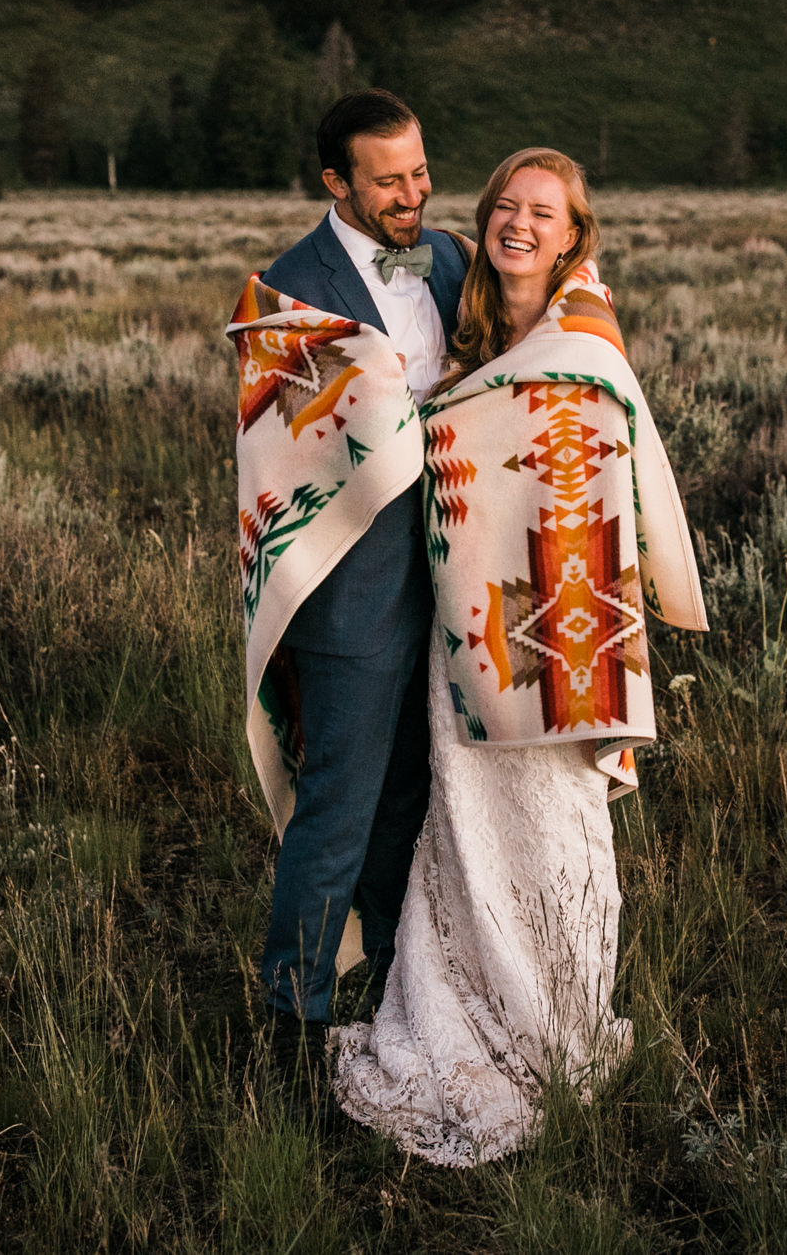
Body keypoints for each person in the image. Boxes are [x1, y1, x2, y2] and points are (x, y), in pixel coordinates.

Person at [332, 147, 708, 1165]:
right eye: (507, 204)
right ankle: (464, 1004)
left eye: (544, 212)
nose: (521, 224)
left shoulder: (581, 337)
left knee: (555, 824)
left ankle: (558, 1027)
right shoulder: (469, 320)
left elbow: (589, 476)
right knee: (464, 823)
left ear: (574, 232)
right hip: (471, 633)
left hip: (556, 644)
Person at [238, 90, 470, 1087]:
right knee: (338, 802)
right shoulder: (288, 289)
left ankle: (394, 984)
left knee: (416, 793)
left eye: (419, 172)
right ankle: (290, 1022)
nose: (412, 194)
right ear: (336, 181)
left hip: (456, 580)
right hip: (348, 588)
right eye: (388, 180)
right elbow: (278, 461)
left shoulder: (447, 256)